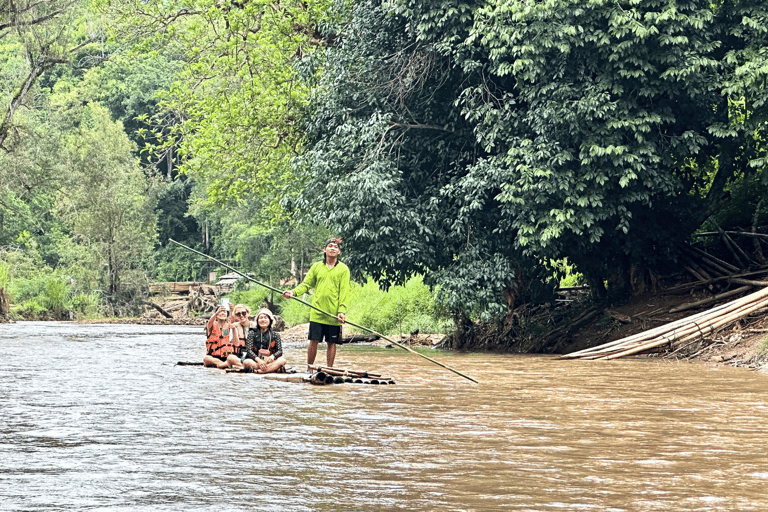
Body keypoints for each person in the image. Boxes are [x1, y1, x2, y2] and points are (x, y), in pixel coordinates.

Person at [282, 237, 350, 367]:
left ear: (339, 252)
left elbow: (344, 292)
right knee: (314, 341)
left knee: (332, 342)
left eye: (336, 247)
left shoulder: (343, 269)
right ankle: (310, 368)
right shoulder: (317, 267)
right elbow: (306, 284)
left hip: (333, 314)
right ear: (325, 249)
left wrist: (342, 310)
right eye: (330, 246)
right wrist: (293, 292)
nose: (332, 248)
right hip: (317, 312)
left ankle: (330, 369)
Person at [242, 308, 287, 373]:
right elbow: (249, 351)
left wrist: (273, 357)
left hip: (270, 362)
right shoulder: (252, 333)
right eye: (261, 318)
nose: (263, 320)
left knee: (282, 360)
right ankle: (271, 369)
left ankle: (262, 371)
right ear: (257, 321)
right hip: (256, 362)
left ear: (270, 320)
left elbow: (280, 351)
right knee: (246, 362)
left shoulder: (275, 335)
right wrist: (259, 361)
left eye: (265, 318)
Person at [203, 303, 243, 369]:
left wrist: (231, 310)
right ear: (216, 315)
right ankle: (224, 364)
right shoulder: (211, 326)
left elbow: (236, 343)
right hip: (213, 356)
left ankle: (224, 364)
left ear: (227, 315)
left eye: (224, 312)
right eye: (220, 312)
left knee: (231, 358)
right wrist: (216, 313)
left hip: (227, 356)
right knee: (206, 358)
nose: (222, 313)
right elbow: (209, 323)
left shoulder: (229, 326)